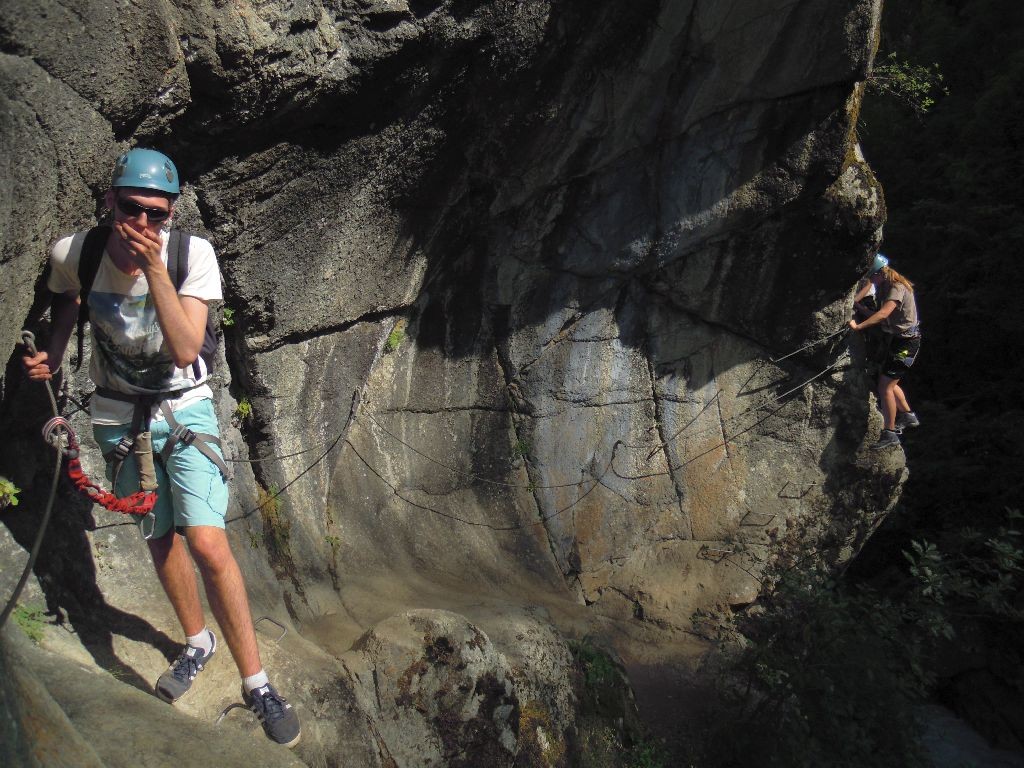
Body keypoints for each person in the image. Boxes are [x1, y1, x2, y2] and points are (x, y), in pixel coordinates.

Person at [21, 148, 301, 747]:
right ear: (110, 202)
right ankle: (196, 641)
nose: (144, 225)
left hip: (184, 408)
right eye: (132, 209)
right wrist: (56, 347)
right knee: (159, 535)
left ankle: (256, 682)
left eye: (158, 214)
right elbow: (67, 296)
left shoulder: (188, 255)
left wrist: (153, 271)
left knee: (207, 540)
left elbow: (184, 348)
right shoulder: (76, 253)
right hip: (118, 415)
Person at [849, 253, 922, 449]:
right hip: (899, 341)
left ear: (881, 272)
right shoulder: (886, 286)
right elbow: (878, 314)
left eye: (872, 276)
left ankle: (890, 433)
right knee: (888, 379)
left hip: (906, 345)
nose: (871, 281)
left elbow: (883, 314)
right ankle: (907, 415)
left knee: (885, 387)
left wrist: (859, 327)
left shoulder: (896, 287)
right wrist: (856, 307)